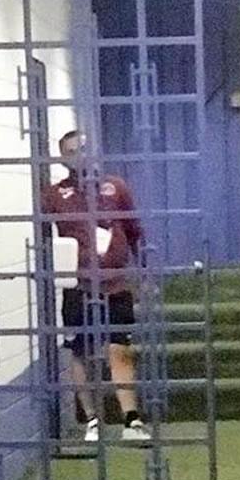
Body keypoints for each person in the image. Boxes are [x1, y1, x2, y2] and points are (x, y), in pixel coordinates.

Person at [41, 130, 150, 442]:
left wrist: (143, 274)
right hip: (77, 286)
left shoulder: (115, 187)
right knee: (80, 351)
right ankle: (91, 420)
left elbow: (134, 231)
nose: (80, 155)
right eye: (72, 151)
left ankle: (132, 420)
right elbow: (45, 239)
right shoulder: (53, 195)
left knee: (120, 348)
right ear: (63, 158)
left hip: (115, 284)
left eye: (84, 148)